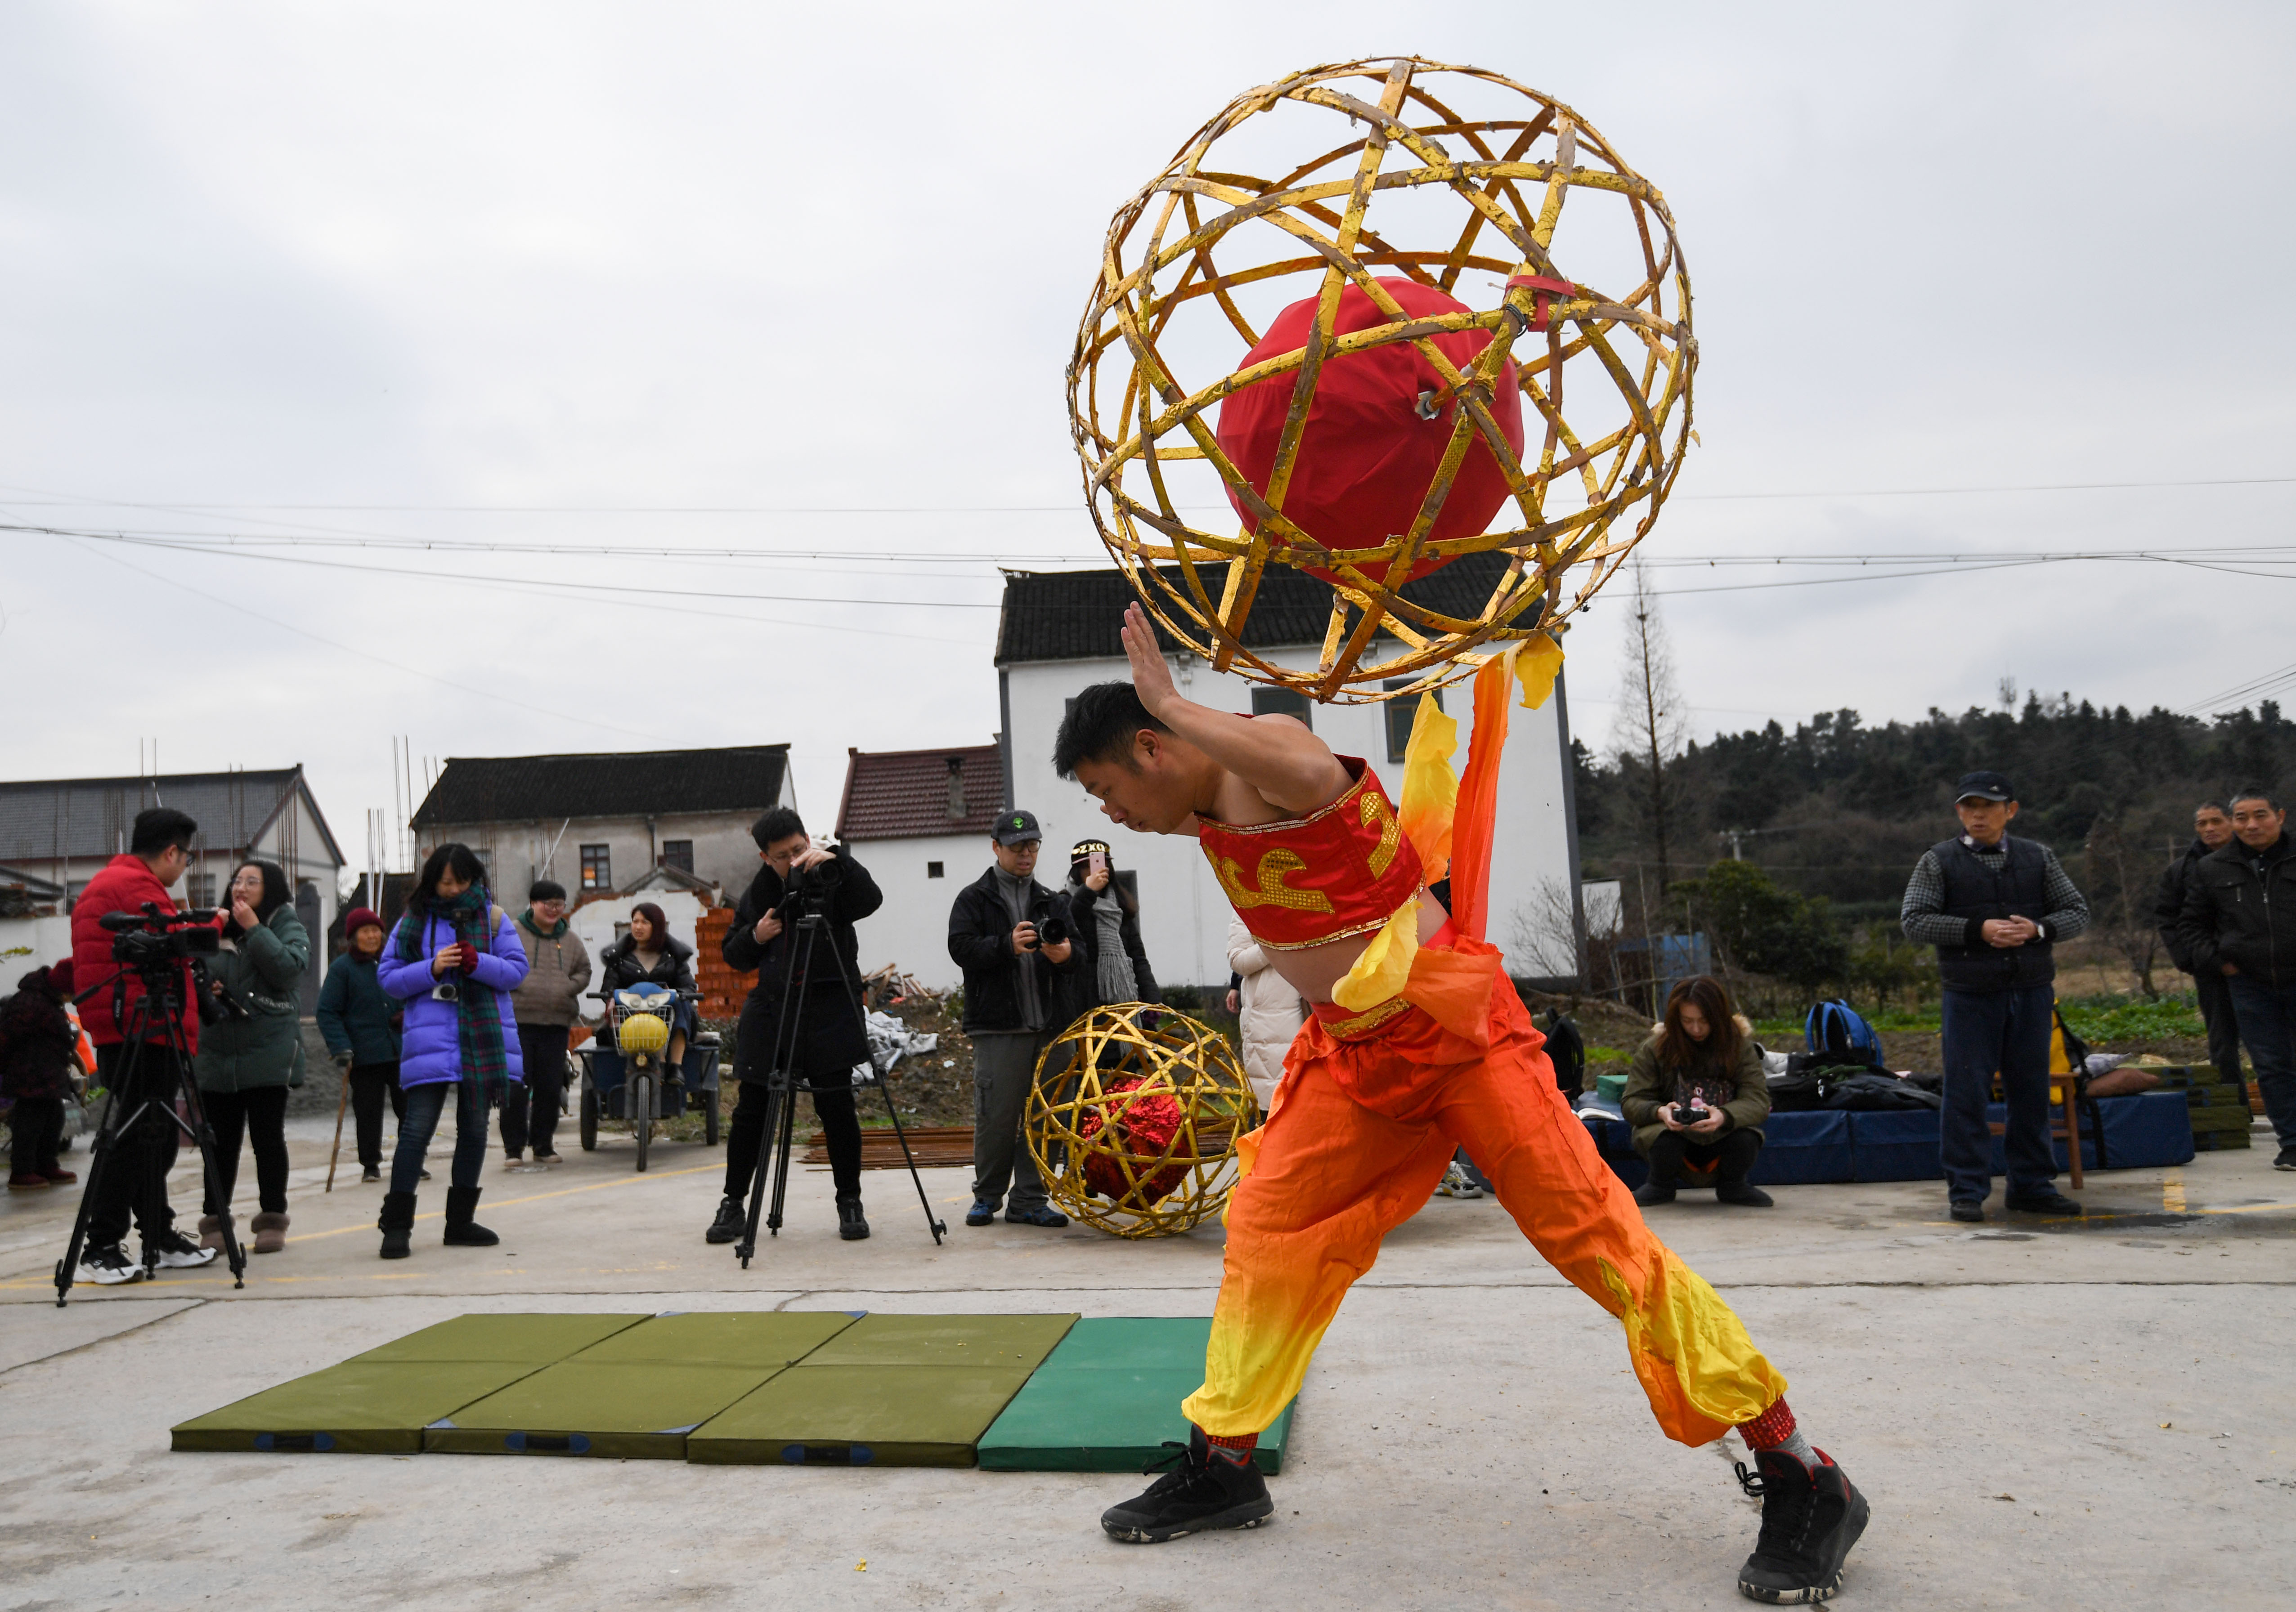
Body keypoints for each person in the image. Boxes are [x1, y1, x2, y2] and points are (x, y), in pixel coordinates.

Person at [1057, 604, 1868, 1603]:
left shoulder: (1265, 756)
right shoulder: (1197, 806)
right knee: (1267, 1226)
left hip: (1459, 1038)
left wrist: (1174, 699)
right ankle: (1223, 1464)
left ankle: (1802, 1471)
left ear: (1151, 746)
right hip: (1353, 1058)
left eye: (1105, 789)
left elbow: (1310, 771)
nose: (1109, 814)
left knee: (1600, 1243)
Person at [1900, 770, 2090, 1222]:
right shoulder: (1938, 860)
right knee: (1966, 1092)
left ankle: (2032, 1185)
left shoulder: (2038, 857)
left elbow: (2077, 911)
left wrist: (2039, 928)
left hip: (2031, 991)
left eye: (1987, 806)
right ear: (1958, 812)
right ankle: (1965, 1189)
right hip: (1969, 994)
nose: (1977, 814)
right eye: (1969, 806)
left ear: (2011, 810)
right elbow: (1914, 921)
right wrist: (1976, 929)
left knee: (2031, 1091)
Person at [706, 809, 885, 1244]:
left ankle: (850, 1201)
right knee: (751, 1110)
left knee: (837, 1108)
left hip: (829, 1007)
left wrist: (835, 858)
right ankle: (733, 1204)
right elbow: (734, 953)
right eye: (783, 855)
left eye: (798, 849)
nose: (793, 859)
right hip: (772, 1010)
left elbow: (870, 900)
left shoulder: (831, 871)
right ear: (766, 857)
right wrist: (758, 935)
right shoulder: (761, 890)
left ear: (808, 839)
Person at [68, 806, 219, 1285]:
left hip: (129, 1023)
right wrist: (212, 931)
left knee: (149, 1135)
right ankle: (102, 1244)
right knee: (135, 1136)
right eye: (187, 858)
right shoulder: (136, 888)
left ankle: (157, 1232)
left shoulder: (114, 880)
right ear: (172, 851)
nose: (184, 868)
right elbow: (170, 945)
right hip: (142, 1024)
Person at [373, 843, 528, 1258]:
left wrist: (481, 964)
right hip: (430, 1040)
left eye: (462, 881)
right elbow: (387, 978)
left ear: (475, 879)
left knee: (475, 1130)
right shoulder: (414, 920)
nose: (455, 889)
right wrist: (433, 968)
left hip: (482, 1041)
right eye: (446, 882)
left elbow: (517, 972)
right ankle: (398, 1226)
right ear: (431, 881)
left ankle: (460, 1223)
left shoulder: (495, 918)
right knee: (416, 1130)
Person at [948, 810, 1082, 1230]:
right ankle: (987, 1196)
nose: (1026, 854)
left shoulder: (1054, 899)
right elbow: (960, 949)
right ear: (996, 848)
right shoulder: (974, 898)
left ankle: (1030, 1199)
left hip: (1052, 1028)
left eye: (1033, 846)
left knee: (1047, 1117)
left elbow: (1081, 953)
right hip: (998, 1027)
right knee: (997, 1116)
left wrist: (1067, 956)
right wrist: (1006, 945)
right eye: (1017, 847)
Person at [193, 860, 310, 1255]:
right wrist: (209, 985)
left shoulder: (284, 923)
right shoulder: (215, 925)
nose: (241, 888)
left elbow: (289, 971)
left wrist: (254, 929)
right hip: (217, 1050)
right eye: (238, 880)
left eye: (252, 882)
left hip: (268, 1049)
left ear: (270, 889)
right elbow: (193, 971)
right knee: (220, 1142)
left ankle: (273, 1219)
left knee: (267, 1140)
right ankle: (215, 1222)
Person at [2178, 786, 2296, 1170]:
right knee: (2271, 1063)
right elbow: (2192, 926)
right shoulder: (2211, 870)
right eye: (2242, 817)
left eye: (2260, 815)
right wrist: (2222, 964)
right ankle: (2292, 1143)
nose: (2251, 824)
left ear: (2280, 816)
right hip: (2250, 984)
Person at [1623, 976, 1773, 1209]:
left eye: (1704, 1021)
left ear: (1719, 1017)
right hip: (1673, 1134)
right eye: (1687, 1021)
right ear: (1676, 1019)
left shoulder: (1739, 1047)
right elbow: (1632, 1101)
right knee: (1662, 1140)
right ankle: (1660, 1185)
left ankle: (1734, 1185)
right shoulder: (1654, 1048)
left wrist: (1724, 1115)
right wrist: (1661, 1112)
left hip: (1722, 1134)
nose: (1696, 1029)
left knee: (1747, 1139)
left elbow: (1758, 1100)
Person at [2157, 801, 2244, 1092]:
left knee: (2273, 1042)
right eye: (2202, 823)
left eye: (2216, 821)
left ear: (2232, 822)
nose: (2210, 829)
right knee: (2222, 1043)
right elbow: (2169, 919)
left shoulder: (2255, 861)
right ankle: (2234, 1111)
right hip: (2211, 968)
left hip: (2261, 966)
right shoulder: (2180, 871)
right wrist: (2190, 960)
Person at [505, 879, 591, 1167]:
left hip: (556, 1024)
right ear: (533, 904)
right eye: (548, 904)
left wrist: (568, 987)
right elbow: (498, 965)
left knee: (551, 1087)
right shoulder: (513, 933)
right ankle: (514, 1149)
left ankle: (543, 1146)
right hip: (518, 1022)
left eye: (559, 905)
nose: (554, 910)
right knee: (516, 1086)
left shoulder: (570, 940)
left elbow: (585, 970)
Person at [318, 906, 406, 1183]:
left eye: (376, 931)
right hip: (365, 1053)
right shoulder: (342, 969)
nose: (372, 937)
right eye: (366, 932)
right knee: (369, 1111)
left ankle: (410, 1158)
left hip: (400, 1050)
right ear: (353, 937)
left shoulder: (392, 962)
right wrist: (340, 1047)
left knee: (410, 1108)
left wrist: (406, 1014)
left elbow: (409, 993)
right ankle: (371, 1164)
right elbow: (327, 1011)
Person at [1057, 838, 1160, 1022]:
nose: (1094, 871)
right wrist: (1088, 891)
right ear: (1076, 872)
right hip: (1081, 1001)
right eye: (1086, 867)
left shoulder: (1119, 905)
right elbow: (1066, 928)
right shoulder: (1065, 902)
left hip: (1121, 999)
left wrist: (1153, 999)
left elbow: (1137, 956)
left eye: (1098, 865)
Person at [3, 965, 80, 1191]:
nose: (70, 998)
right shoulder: (29, 1001)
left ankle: (46, 1164)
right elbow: (9, 1036)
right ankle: (23, 1170)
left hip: (48, 1072)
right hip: (30, 1073)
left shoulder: (45, 1000)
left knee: (54, 1117)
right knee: (30, 1121)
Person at [1225, 913, 1305, 1116]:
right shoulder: (1247, 900)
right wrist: (1276, 942)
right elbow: (1238, 960)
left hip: (1313, 1009)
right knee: (1270, 1103)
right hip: (1268, 1017)